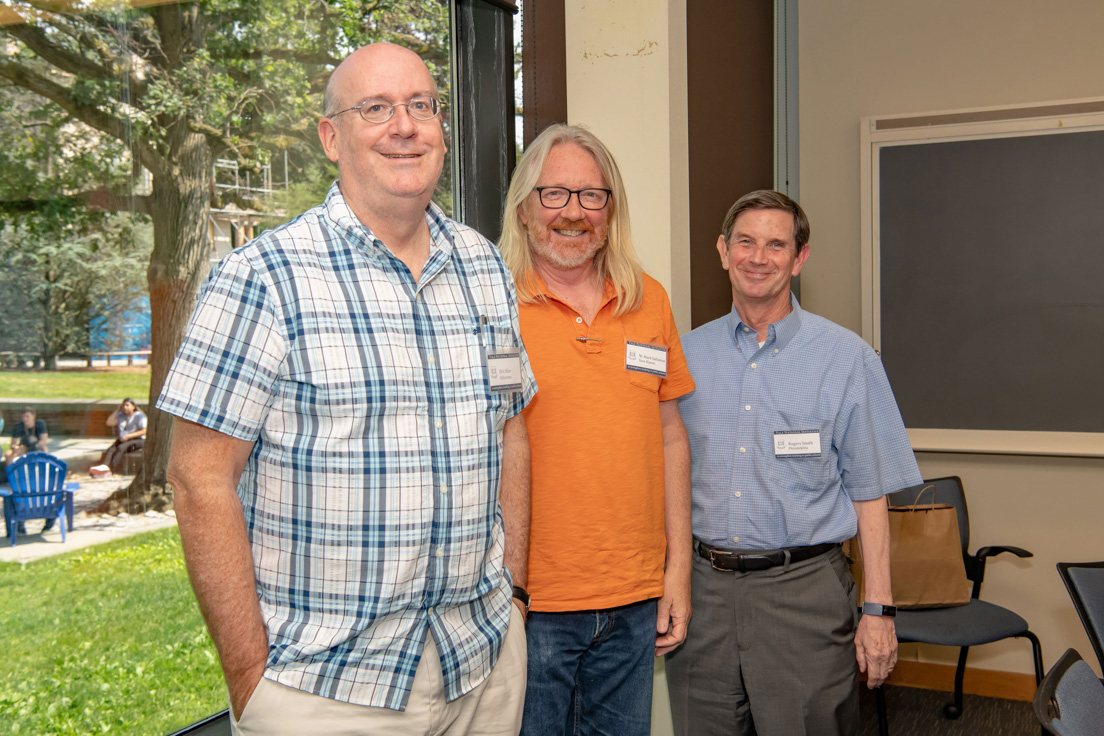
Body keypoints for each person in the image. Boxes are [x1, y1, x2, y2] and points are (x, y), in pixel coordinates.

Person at [158, 43, 536, 735]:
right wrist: (249, 676)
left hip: (481, 665)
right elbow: (197, 478)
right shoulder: (262, 277)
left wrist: (512, 595)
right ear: (332, 137)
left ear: (441, 131)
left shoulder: (484, 267)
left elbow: (509, 424)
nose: (405, 125)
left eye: (421, 105)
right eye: (376, 108)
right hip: (326, 689)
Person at [666, 190, 923, 736]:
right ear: (722, 251)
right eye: (746, 241)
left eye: (776, 244)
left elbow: (870, 491)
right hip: (703, 597)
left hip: (803, 594)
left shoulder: (848, 358)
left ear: (799, 258)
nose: (758, 257)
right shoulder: (683, 358)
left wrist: (879, 612)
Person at [497, 124, 695, 736]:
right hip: (530, 603)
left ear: (610, 212)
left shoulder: (649, 300)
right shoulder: (492, 304)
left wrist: (677, 572)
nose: (573, 212)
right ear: (525, 209)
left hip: (634, 598)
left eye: (591, 196)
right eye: (553, 194)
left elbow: (670, 437)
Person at [99, 398, 147, 473]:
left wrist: (128, 436)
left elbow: (144, 431)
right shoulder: (121, 415)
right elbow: (109, 423)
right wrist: (117, 410)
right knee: (111, 449)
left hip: (138, 439)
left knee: (121, 448)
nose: (125, 407)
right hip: (123, 439)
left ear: (133, 406)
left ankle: (112, 469)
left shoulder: (140, 416)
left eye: (127, 405)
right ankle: (104, 467)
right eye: (123, 405)